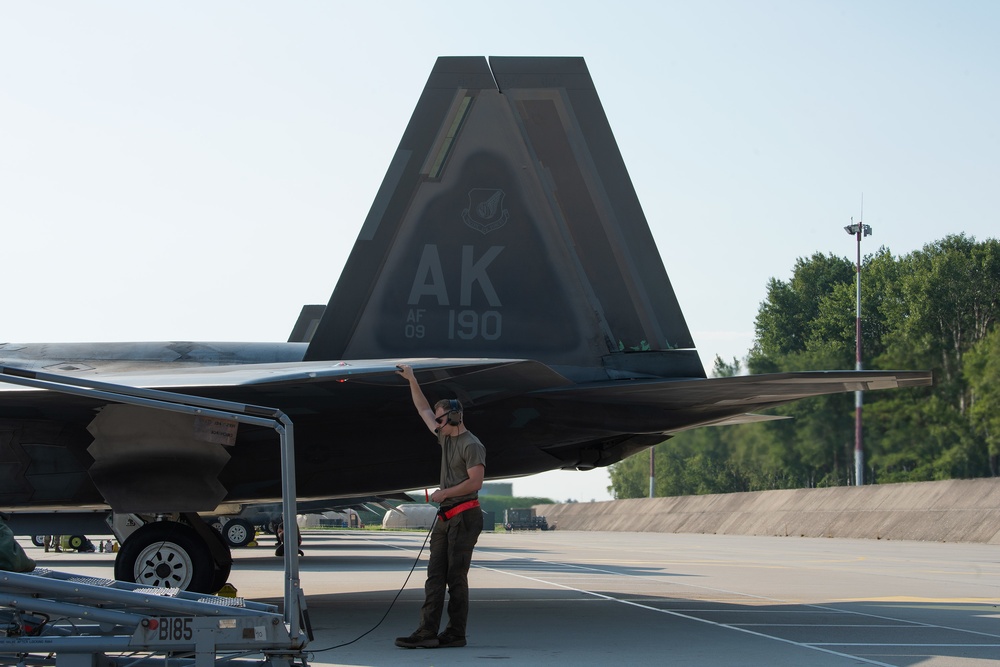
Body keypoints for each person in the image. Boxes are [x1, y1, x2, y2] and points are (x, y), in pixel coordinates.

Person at [394, 364, 486, 649]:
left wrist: (444, 493)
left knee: (455, 578)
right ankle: (427, 631)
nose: (437, 423)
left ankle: (456, 633)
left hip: (465, 516)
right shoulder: (445, 437)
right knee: (435, 575)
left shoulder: (472, 445)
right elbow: (422, 410)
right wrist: (412, 379)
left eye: (441, 419)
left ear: (455, 417)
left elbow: (475, 482)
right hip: (446, 517)